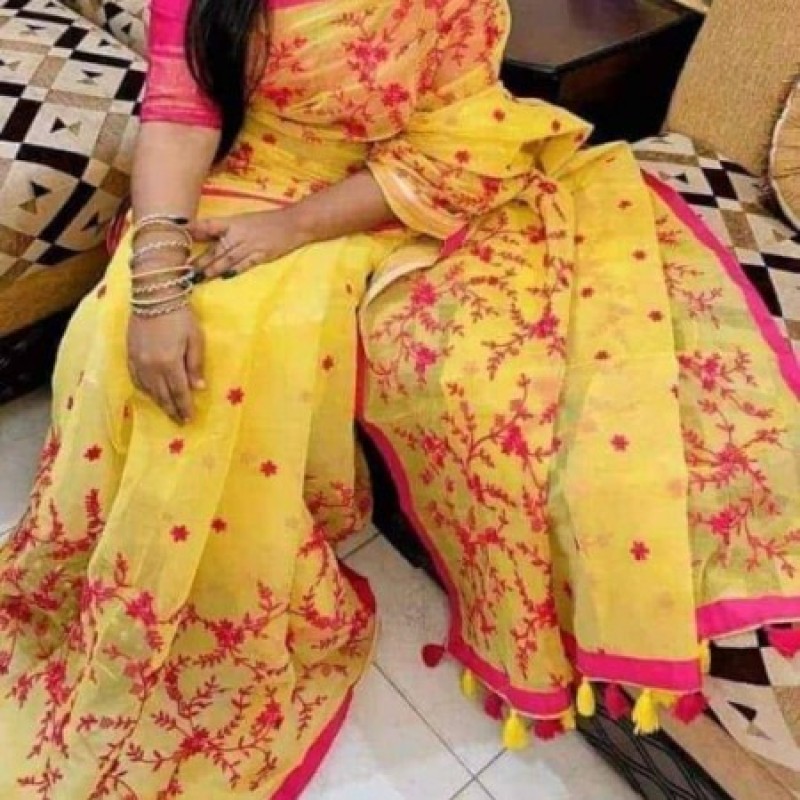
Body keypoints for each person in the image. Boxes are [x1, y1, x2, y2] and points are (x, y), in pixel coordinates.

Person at [0, 0, 798, 796]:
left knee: (227, 358)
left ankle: (208, 621)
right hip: (233, 176)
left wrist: (293, 228)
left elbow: (450, 142)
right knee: (113, 332)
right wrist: (155, 279)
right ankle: (120, 600)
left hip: (357, 198)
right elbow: (181, 112)